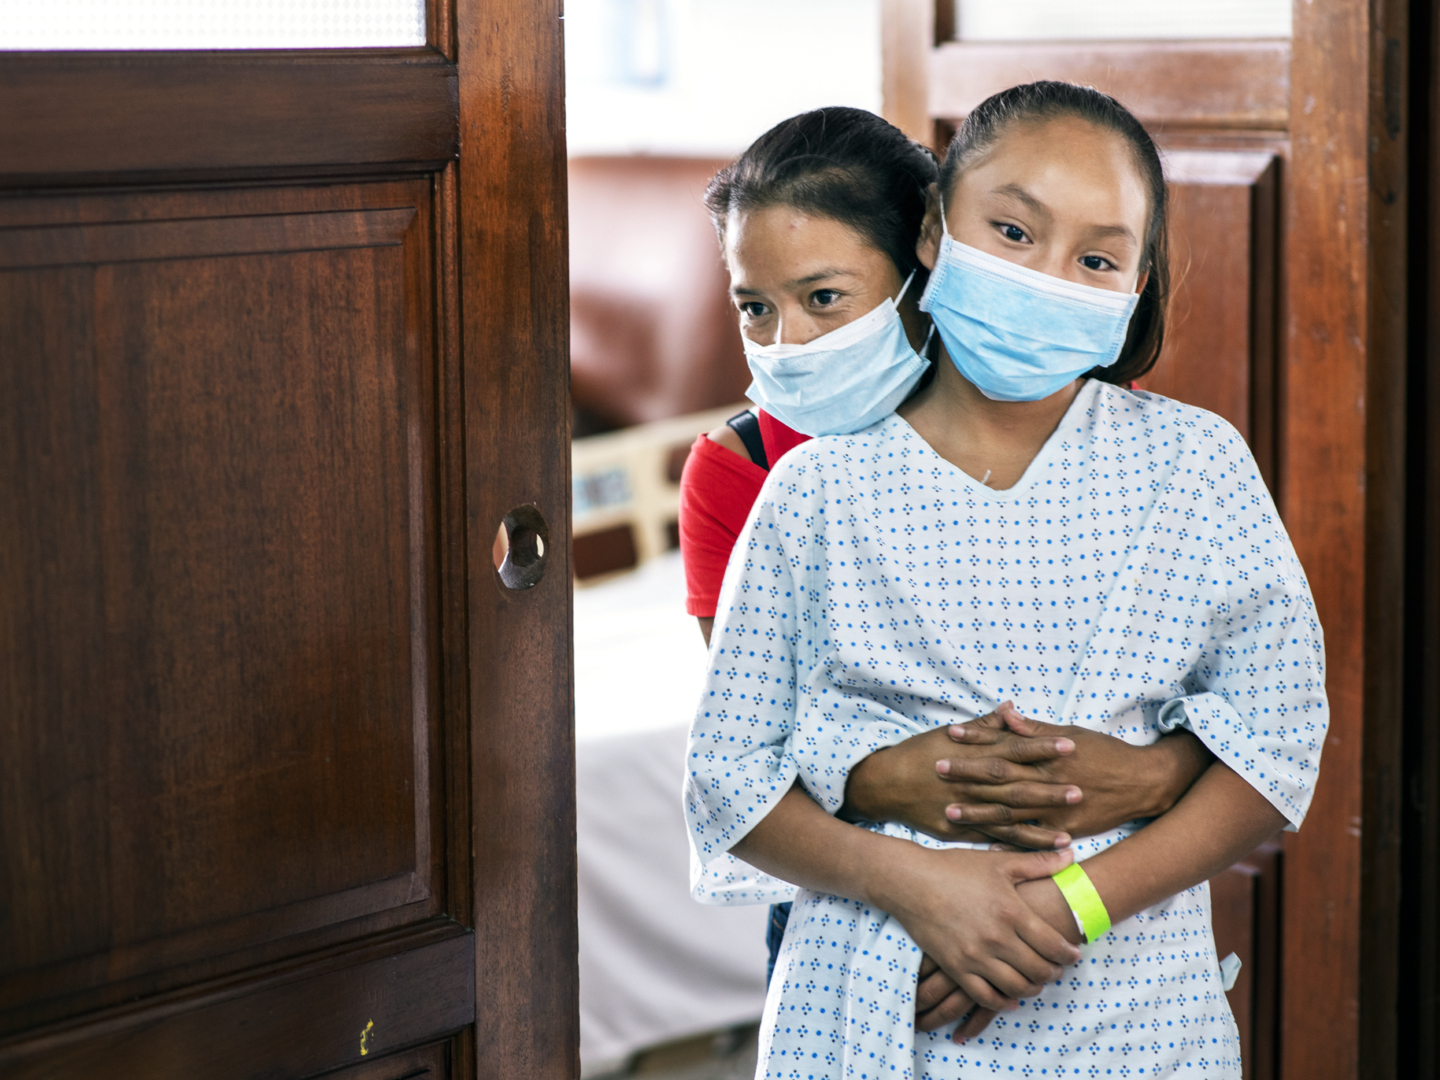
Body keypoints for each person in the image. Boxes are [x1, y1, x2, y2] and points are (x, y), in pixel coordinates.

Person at [683, 83, 1327, 1078]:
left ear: (1136, 284)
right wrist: (910, 880)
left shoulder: (1193, 467)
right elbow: (726, 778)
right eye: (1015, 231)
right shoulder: (812, 493)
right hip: (866, 1012)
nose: (1046, 279)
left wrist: (1071, 903)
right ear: (935, 229)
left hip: (1135, 1012)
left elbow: (1280, 738)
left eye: (1097, 258)